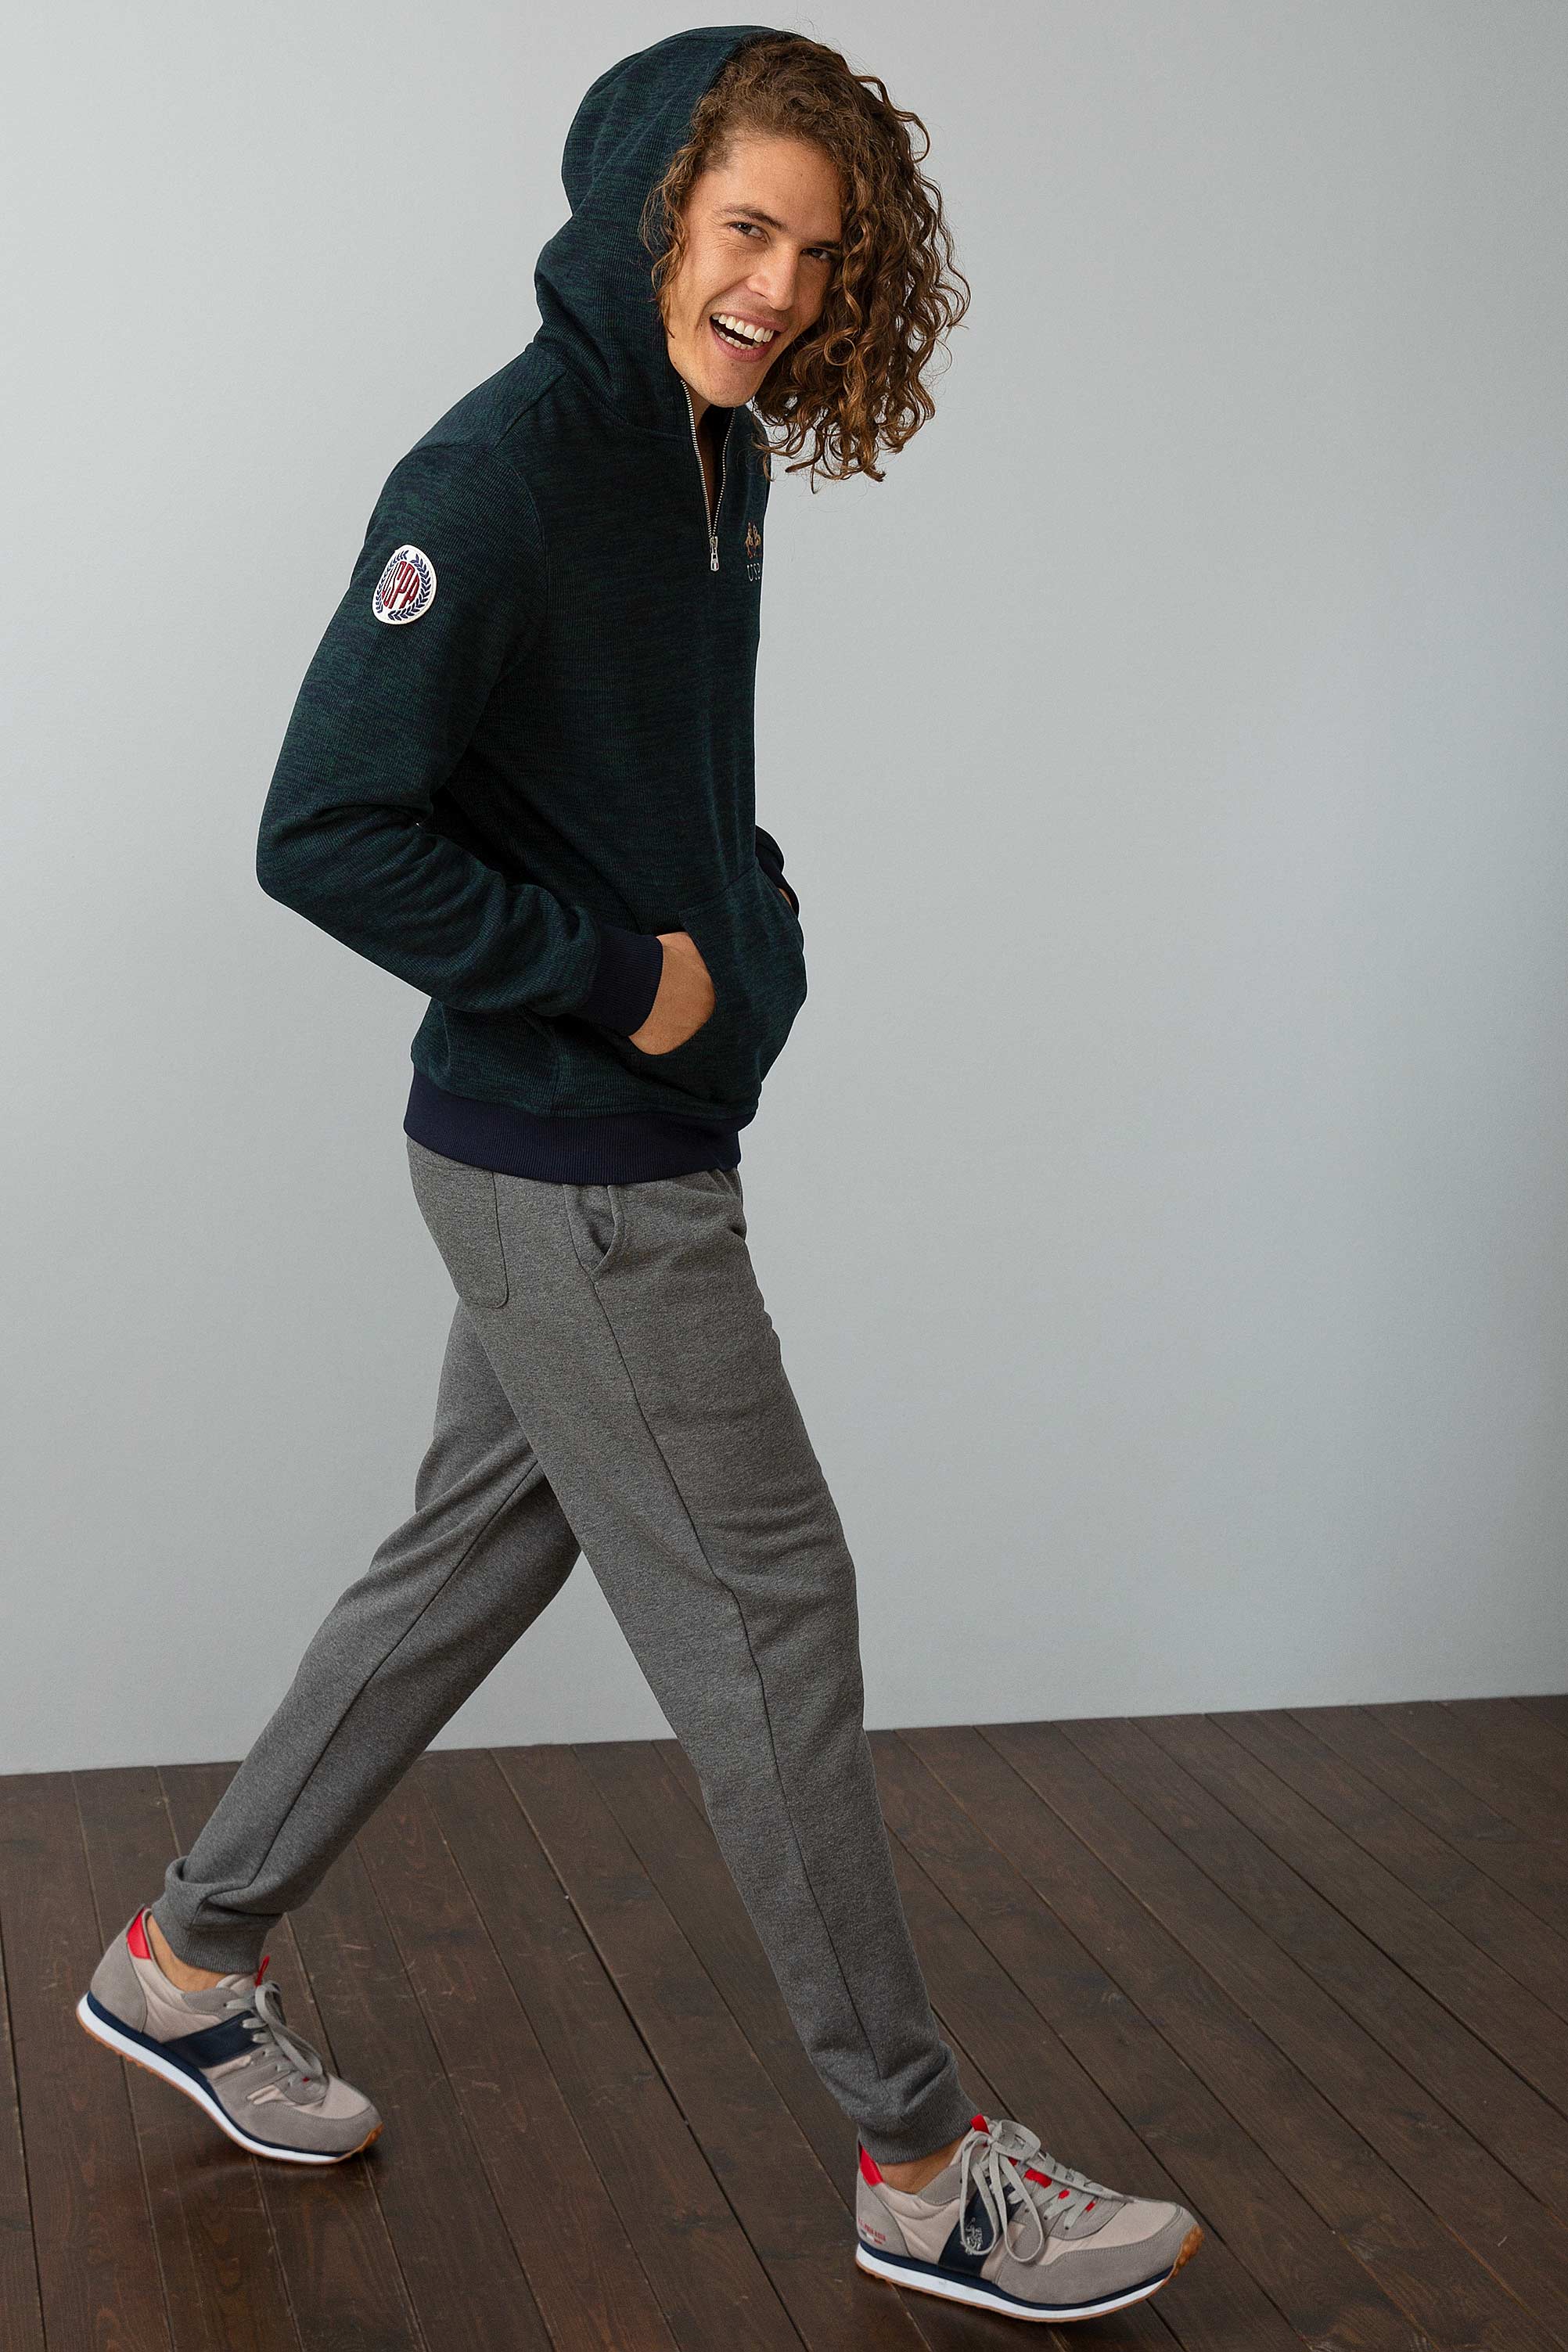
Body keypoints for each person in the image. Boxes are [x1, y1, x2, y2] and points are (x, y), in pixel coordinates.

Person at [76, 24, 1203, 2323]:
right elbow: (322, 828)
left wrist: (746, 927)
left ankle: (183, 1958)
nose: (779, 287)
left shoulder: (714, 451)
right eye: (742, 230)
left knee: (467, 1561)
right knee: (773, 1611)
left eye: (821, 250)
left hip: (615, 1138)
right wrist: (622, 976)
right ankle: (920, 2167)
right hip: (574, 1166)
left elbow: (665, 765)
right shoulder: (493, 474)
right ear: (643, 215)